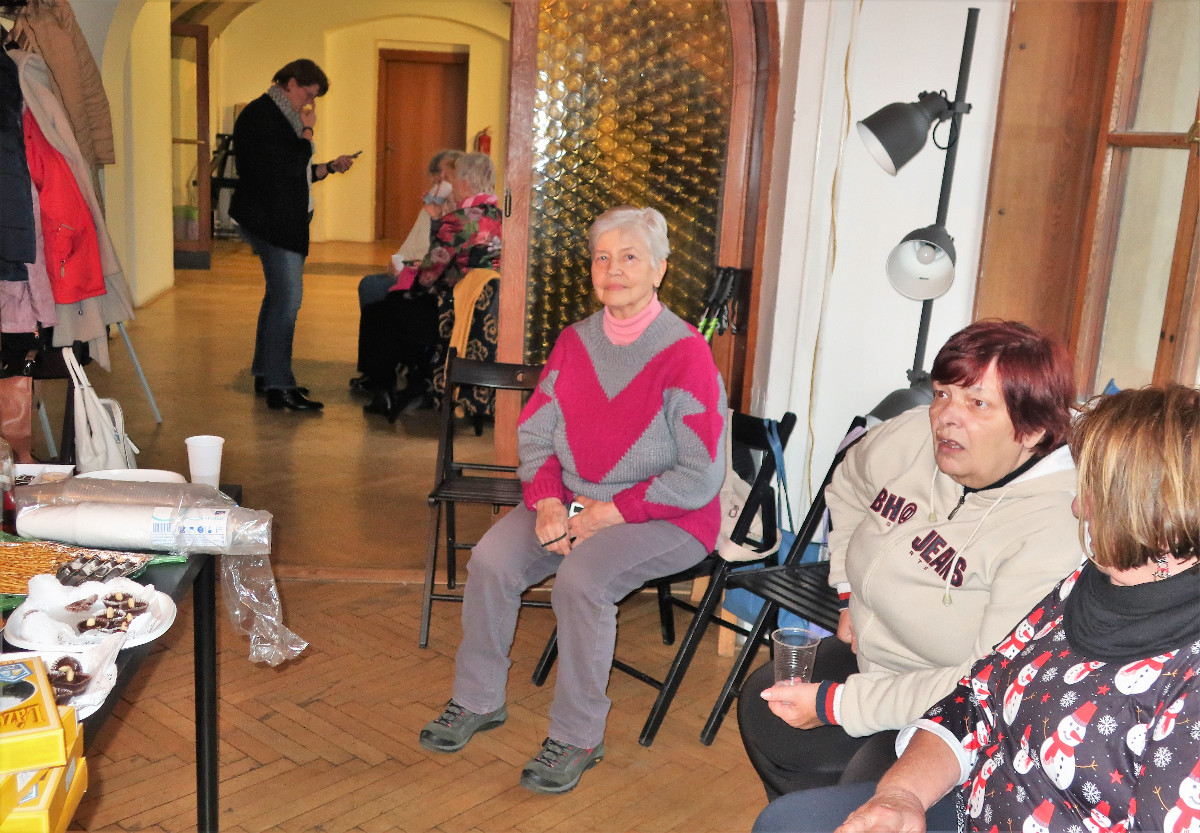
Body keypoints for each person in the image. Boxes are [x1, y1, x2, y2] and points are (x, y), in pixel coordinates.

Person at [752, 384, 1200, 833]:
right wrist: (901, 796)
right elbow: (977, 696)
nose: (1078, 507)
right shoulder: (1088, 581)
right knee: (786, 822)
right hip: (973, 804)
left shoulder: (1189, 681)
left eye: (1098, 493)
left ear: (1158, 511)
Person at [417, 206, 727, 794]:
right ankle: (478, 698)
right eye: (602, 257)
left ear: (659, 269)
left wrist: (610, 513)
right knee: (491, 561)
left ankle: (578, 734)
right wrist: (548, 501)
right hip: (575, 502)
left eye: (630, 257)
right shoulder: (574, 341)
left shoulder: (686, 353)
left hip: (669, 516)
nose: (614, 269)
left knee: (582, 581)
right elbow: (536, 433)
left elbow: (699, 475)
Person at [738, 320, 1084, 800]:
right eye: (942, 393)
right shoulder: (913, 436)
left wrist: (836, 704)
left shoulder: (1055, 526)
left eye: (977, 403)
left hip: (953, 712)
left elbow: (984, 679)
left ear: (1032, 430)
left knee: (868, 796)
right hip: (872, 658)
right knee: (762, 710)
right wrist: (847, 592)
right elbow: (847, 486)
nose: (945, 417)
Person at [229, 58, 356, 412]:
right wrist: (307, 133)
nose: (309, 104)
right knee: (287, 301)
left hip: (280, 218)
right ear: (291, 83)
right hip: (273, 222)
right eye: (308, 94)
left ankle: (266, 374)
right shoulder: (263, 116)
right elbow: (285, 168)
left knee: (277, 298)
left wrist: (329, 167)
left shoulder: (279, 115)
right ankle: (279, 386)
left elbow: (295, 172)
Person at [356, 151, 501, 419]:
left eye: (454, 179)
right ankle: (418, 380)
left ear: (466, 181)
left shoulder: (460, 220)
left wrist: (410, 279)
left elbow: (428, 276)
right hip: (488, 313)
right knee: (394, 309)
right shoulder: (500, 217)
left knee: (382, 312)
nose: (451, 185)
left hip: (452, 311)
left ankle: (386, 392)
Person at [354, 149, 461, 312]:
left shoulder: (462, 215)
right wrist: (395, 265)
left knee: (374, 286)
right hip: (411, 272)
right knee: (369, 285)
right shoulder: (428, 212)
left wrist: (424, 267)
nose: (439, 181)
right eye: (437, 177)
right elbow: (407, 250)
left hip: (433, 278)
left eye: (446, 177)